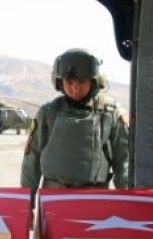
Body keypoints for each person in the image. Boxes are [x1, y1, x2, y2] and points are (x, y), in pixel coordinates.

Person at [20, 48, 129, 197]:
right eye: (69, 82)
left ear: (94, 81)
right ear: (59, 82)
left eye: (82, 81)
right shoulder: (48, 113)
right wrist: (27, 205)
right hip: (53, 198)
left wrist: (130, 202)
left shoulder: (111, 113)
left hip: (95, 199)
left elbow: (124, 164)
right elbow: (31, 162)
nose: (75, 88)